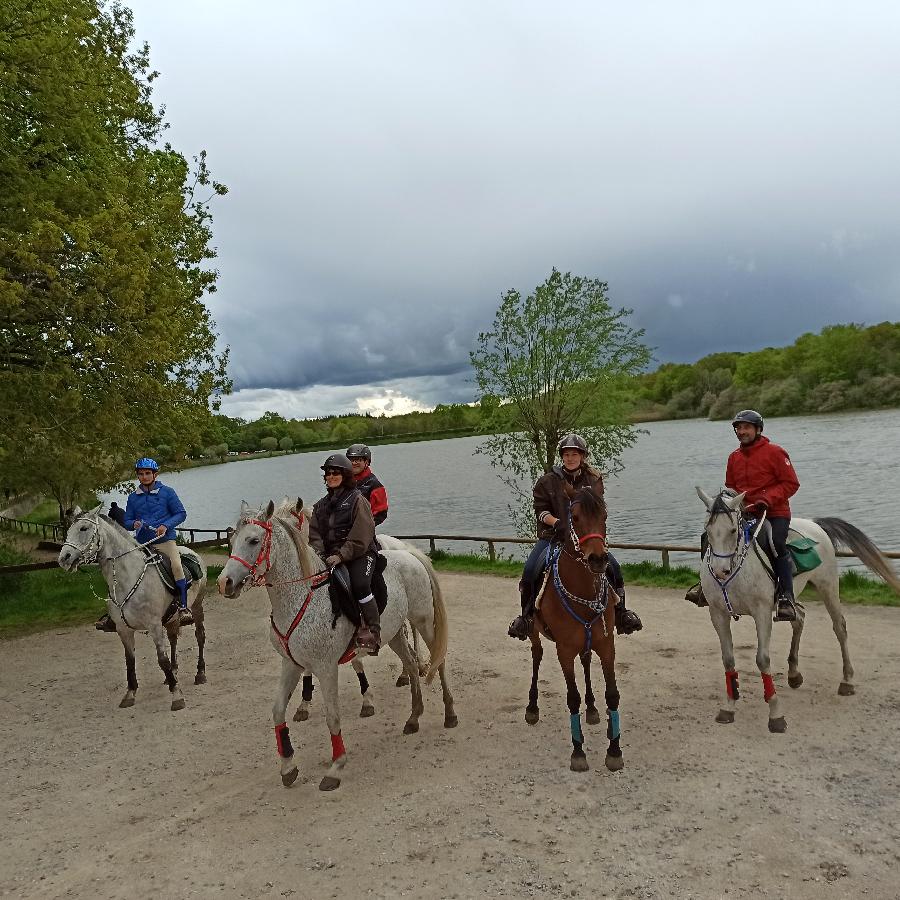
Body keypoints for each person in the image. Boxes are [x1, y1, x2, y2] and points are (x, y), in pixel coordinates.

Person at [507, 433, 643, 640]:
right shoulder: (547, 481)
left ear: (582, 456)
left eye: (574, 454)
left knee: (613, 567)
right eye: (566, 454)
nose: (570, 458)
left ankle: (621, 613)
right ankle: (526, 618)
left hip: (585, 539)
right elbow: (541, 511)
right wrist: (558, 523)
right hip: (552, 536)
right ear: (562, 456)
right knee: (529, 571)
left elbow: (597, 510)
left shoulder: (593, 480)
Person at [685, 410, 800, 621]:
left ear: (758, 429)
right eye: (738, 428)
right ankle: (704, 586)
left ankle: (786, 597)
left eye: (746, 427)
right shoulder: (734, 457)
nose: (741, 431)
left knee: (776, 543)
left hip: (774, 512)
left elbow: (791, 484)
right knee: (708, 536)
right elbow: (732, 487)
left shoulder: (776, 453)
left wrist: (768, 498)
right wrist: (725, 500)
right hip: (744, 512)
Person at [309, 453, 381, 653]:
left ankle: (373, 631)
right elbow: (314, 535)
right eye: (328, 473)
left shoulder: (358, 500)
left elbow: (362, 534)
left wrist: (341, 555)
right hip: (330, 556)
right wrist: (319, 554)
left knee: (359, 584)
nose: (330, 476)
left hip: (361, 553)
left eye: (335, 473)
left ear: (345, 475)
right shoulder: (320, 506)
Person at [346, 443, 389, 524]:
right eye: (351, 460)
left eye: (358, 459)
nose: (354, 463)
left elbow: (381, 513)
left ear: (366, 462)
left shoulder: (375, 485)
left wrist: (363, 526)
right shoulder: (343, 481)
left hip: (362, 530)